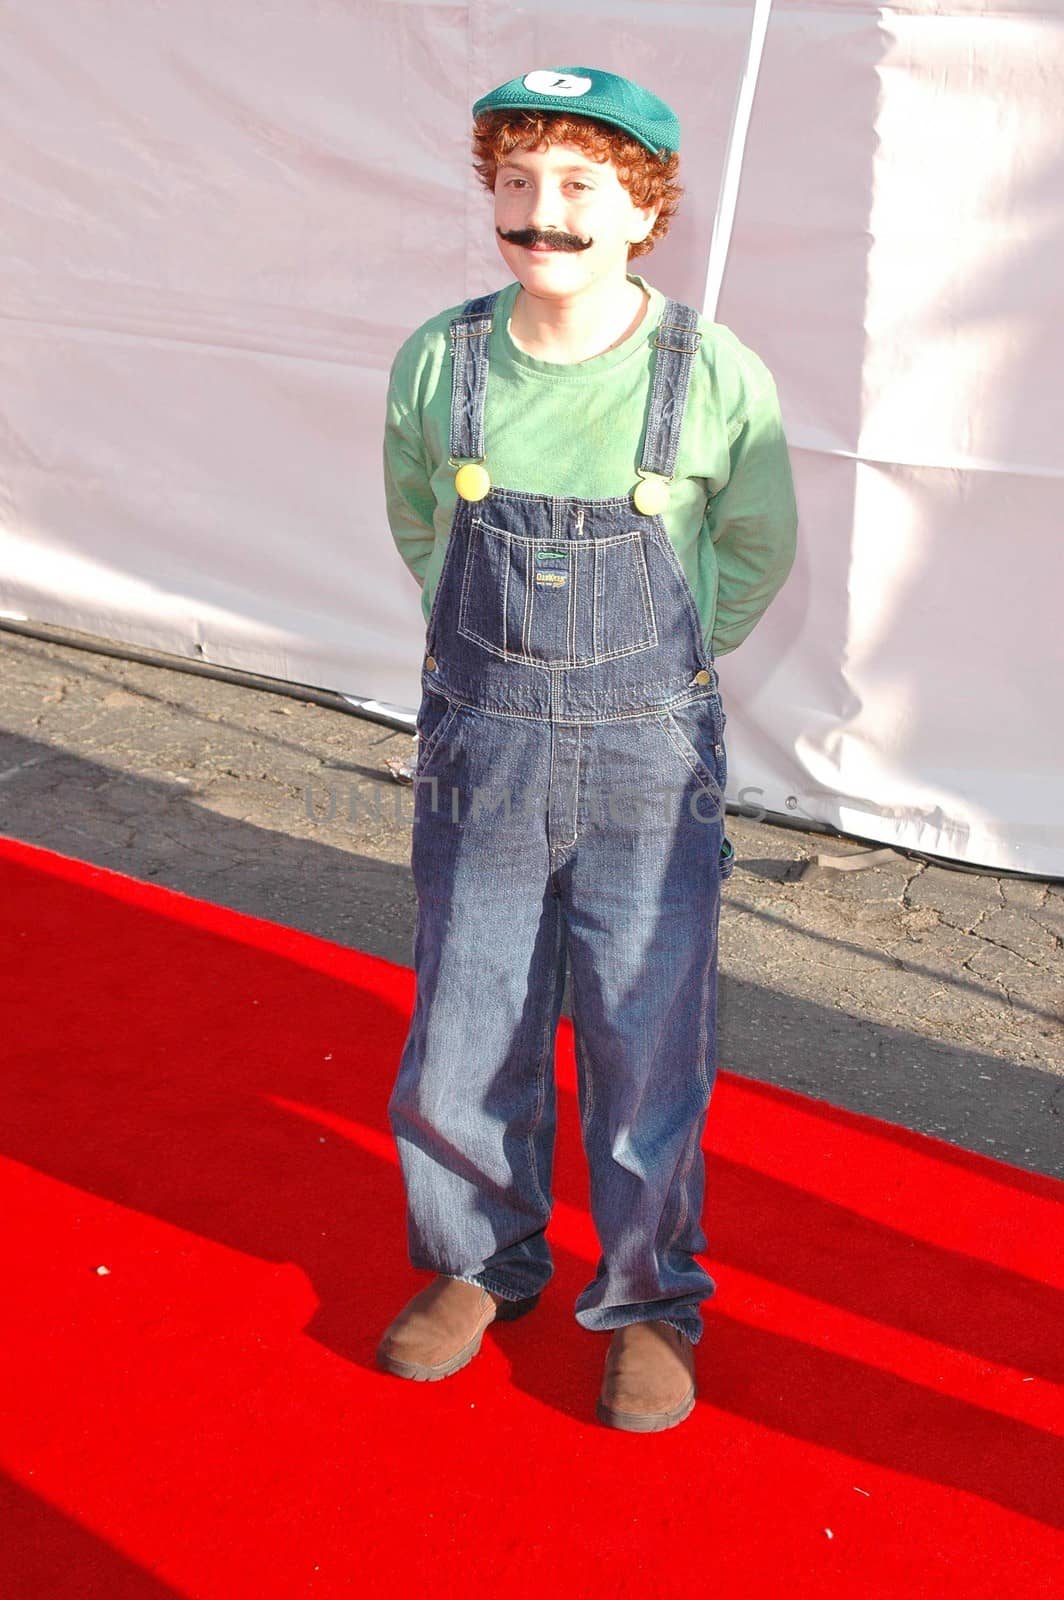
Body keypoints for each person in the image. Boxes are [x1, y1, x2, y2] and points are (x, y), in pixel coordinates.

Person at [377, 66, 798, 1432]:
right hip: (481, 747)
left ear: (643, 209)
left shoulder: (709, 370)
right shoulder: (444, 358)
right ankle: (478, 1262)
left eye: (576, 187)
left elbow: (755, 539)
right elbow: (418, 515)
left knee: (645, 1030)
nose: (537, 214)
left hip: (644, 763)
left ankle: (646, 1296)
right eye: (514, 182)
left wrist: (682, 652)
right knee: (466, 1018)